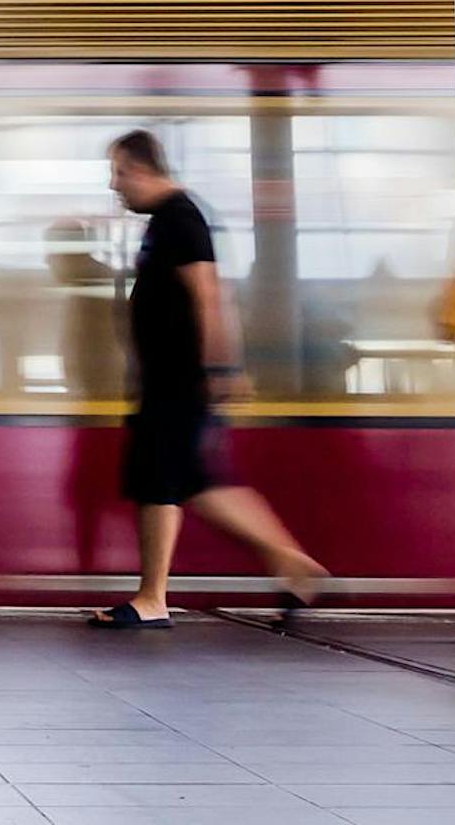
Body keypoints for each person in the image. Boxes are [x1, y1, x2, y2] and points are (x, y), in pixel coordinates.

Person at [91, 128, 325, 630]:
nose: (115, 186)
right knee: (198, 480)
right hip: (171, 378)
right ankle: (289, 561)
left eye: (118, 173)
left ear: (140, 168)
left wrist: (221, 366)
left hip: (180, 379)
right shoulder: (166, 221)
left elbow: (209, 295)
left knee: (160, 483)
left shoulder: (180, 217)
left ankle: (152, 598)